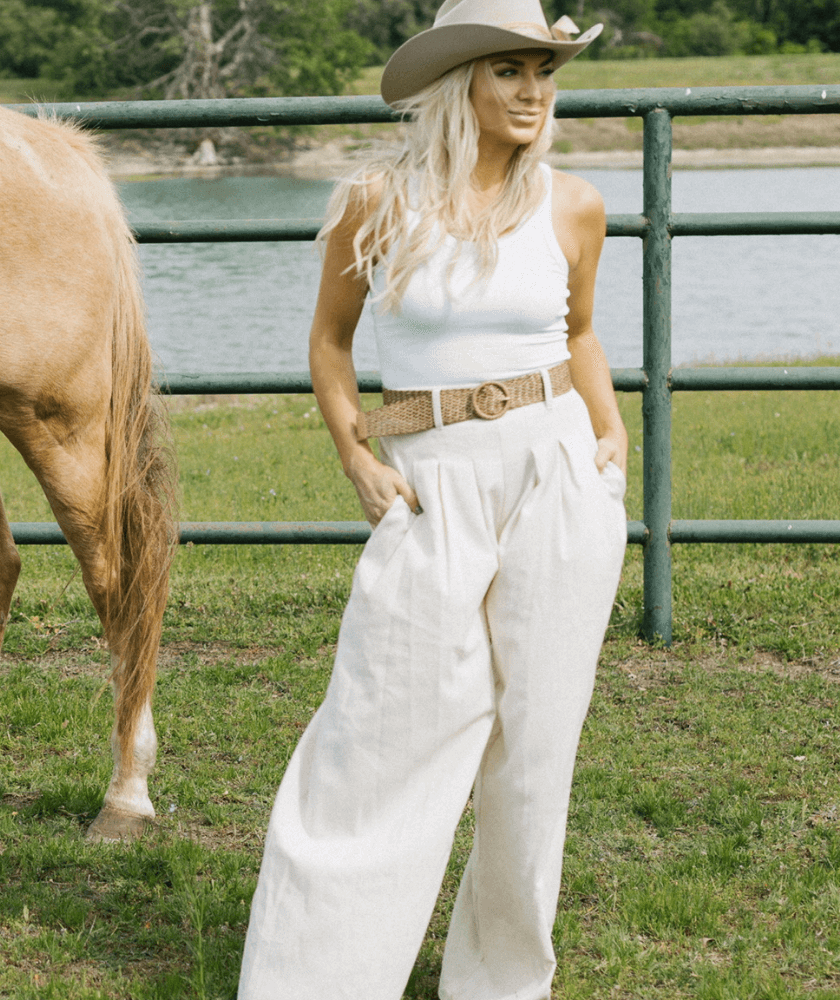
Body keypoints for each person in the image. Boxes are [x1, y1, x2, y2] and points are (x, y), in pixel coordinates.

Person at [236, 1, 626, 997]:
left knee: (534, 750)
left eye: (544, 72)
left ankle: (499, 984)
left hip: (555, 475)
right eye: (508, 71)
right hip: (429, 480)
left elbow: (576, 332)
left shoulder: (573, 206)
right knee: (377, 732)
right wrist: (353, 454)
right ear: (460, 85)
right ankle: (312, 978)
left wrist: (608, 428)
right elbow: (329, 343)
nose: (533, 92)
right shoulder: (374, 200)